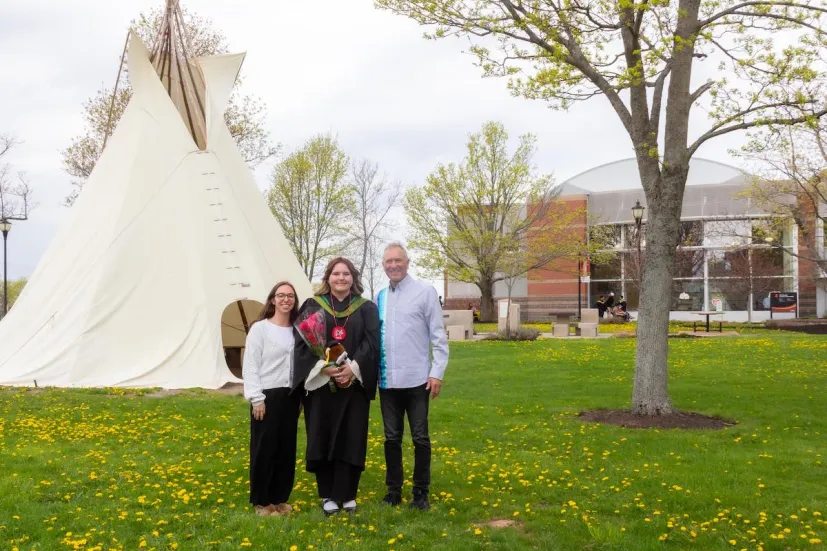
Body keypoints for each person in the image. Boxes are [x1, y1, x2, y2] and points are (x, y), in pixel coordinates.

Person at [293, 258, 379, 516]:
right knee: (323, 434)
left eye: (346, 274)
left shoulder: (367, 308)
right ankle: (328, 494)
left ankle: (349, 494)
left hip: (353, 385)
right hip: (321, 387)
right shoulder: (312, 306)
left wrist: (352, 370)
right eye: (336, 274)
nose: (341, 278)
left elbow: (372, 343)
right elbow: (303, 343)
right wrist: (325, 368)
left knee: (352, 436)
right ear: (327, 277)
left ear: (353, 278)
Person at [377, 242, 449, 510]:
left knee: (420, 438)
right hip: (388, 382)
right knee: (391, 438)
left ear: (407, 262)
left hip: (418, 380)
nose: (393, 265)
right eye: (388, 261)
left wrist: (437, 372)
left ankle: (421, 492)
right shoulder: (380, 297)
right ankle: (393, 490)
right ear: (383, 266)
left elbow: (438, 337)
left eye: (398, 260)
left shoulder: (425, 293)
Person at [243, 281, 302, 517]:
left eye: (290, 296)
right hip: (267, 395)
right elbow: (251, 365)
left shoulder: (298, 330)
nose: (286, 299)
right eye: (281, 295)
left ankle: (279, 498)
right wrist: (256, 398)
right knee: (264, 449)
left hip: (291, 395)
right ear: (273, 300)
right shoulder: (260, 329)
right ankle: (262, 501)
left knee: (286, 449)